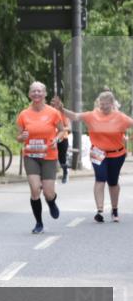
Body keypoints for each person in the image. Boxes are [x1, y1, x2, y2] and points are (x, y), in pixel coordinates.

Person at [53, 91, 133, 223]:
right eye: (102, 104)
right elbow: (75, 116)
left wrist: (130, 138)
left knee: (113, 182)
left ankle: (114, 209)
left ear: (112, 104)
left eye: (106, 104)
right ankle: (100, 211)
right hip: (98, 153)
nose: (104, 107)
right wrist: (61, 109)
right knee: (100, 178)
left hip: (117, 154)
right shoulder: (92, 115)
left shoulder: (120, 117)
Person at [16, 82, 67, 234]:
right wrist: (22, 136)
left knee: (48, 192)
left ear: (45, 94)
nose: (36, 94)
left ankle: (51, 202)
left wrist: (56, 139)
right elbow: (18, 137)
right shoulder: (24, 114)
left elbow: (62, 131)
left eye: (39, 91)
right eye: (33, 91)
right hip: (31, 155)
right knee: (34, 190)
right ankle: (39, 223)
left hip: (49, 156)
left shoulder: (53, 113)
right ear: (30, 94)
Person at [52, 96, 72, 184]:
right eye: (52, 102)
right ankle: (53, 177)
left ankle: (65, 173)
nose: (53, 104)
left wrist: (61, 129)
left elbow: (68, 127)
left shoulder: (63, 113)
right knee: (52, 158)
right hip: (51, 138)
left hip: (63, 138)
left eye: (55, 102)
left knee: (62, 159)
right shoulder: (49, 112)